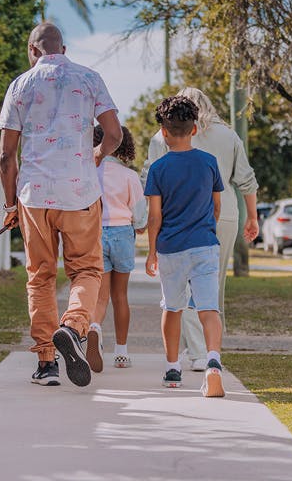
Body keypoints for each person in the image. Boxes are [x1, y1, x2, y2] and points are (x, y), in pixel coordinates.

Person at [0, 22, 122, 387]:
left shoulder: (20, 85)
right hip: (80, 193)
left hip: (34, 198)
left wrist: (9, 207)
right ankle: (73, 326)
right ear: (62, 50)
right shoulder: (89, 78)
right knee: (86, 271)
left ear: (32, 50)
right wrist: (96, 154)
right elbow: (113, 134)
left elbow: (6, 156)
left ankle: (47, 364)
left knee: (40, 277)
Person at [144, 88, 256, 371]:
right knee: (211, 287)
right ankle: (211, 352)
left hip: (175, 222)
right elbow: (245, 179)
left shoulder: (161, 137)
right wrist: (252, 216)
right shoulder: (228, 136)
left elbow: (152, 185)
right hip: (221, 218)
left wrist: (151, 244)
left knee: (176, 297)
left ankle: (193, 354)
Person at [145, 96, 229, 390]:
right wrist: (206, 229)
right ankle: (214, 363)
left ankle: (171, 369)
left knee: (173, 308)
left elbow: (154, 217)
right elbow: (216, 205)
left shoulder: (158, 169)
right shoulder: (209, 162)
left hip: (171, 249)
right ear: (195, 129)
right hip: (205, 244)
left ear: (164, 132)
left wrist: (151, 252)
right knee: (208, 309)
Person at [90, 126, 147, 369]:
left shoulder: (89, 173)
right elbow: (141, 217)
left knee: (100, 297)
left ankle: (93, 329)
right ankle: (121, 352)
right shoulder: (129, 176)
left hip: (96, 234)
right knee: (120, 296)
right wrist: (141, 226)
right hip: (123, 233)